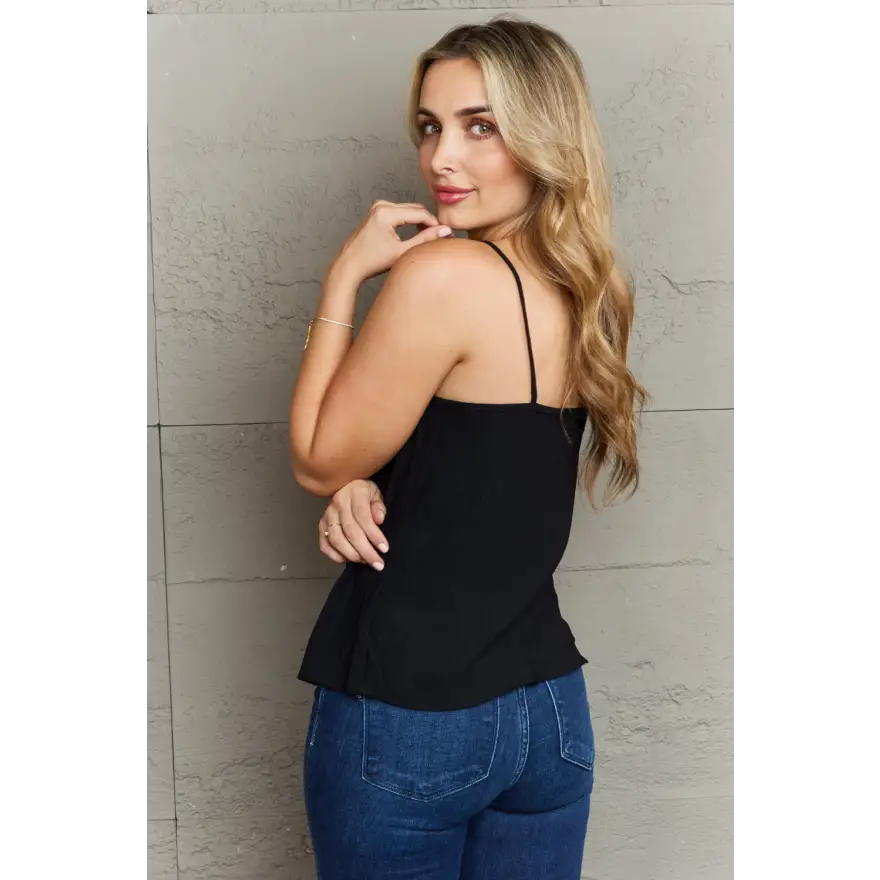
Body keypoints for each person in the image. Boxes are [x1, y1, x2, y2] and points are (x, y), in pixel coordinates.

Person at [288, 16, 645, 880]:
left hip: (415, 716)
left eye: (480, 126)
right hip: (550, 714)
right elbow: (479, 467)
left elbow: (317, 458)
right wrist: (368, 483)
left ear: (544, 135)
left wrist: (344, 276)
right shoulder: (584, 289)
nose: (441, 157)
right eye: (430, 126)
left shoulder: (442, 277)